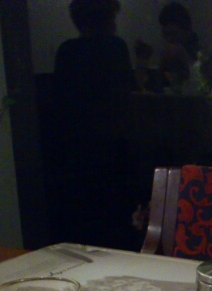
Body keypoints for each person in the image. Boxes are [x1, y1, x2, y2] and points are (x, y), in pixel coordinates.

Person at [50, 0, 143, 250]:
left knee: (85, 220)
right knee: (115, 220)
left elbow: (60, 102)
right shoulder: (115, 47)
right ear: (107, 18)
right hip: (111, 142)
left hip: (77, 146)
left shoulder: (67, 51)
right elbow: (127, 95)